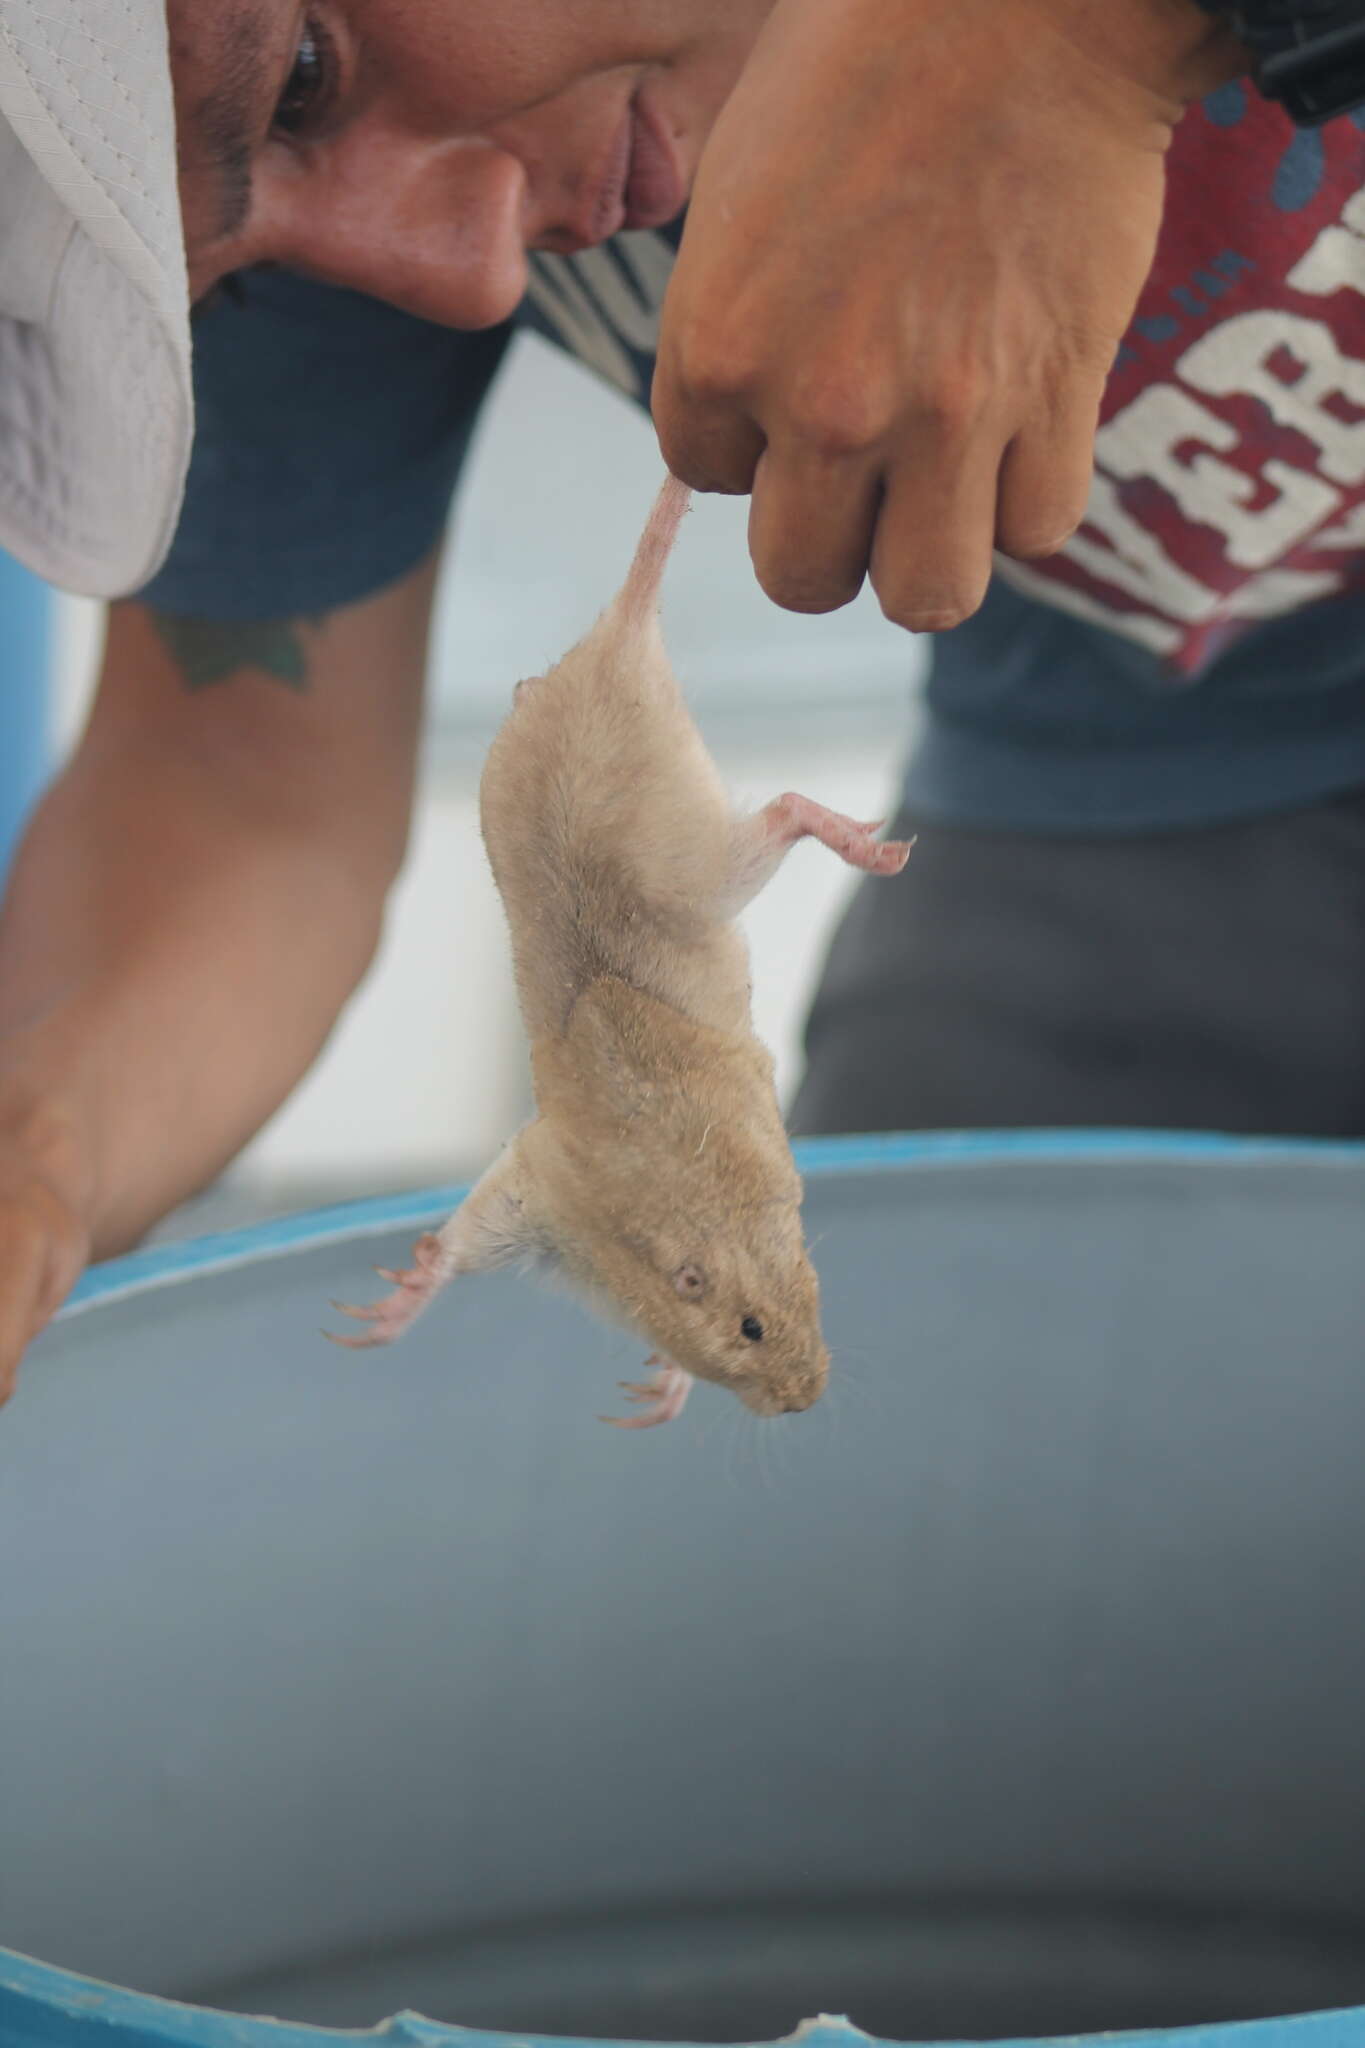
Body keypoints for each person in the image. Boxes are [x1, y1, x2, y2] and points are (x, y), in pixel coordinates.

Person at [0, 0, 1361, 1405]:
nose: (455, 270)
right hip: (1161, 745)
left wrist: (1068, 47)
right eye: (218, 279)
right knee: (891, 1434)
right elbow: (245, 799)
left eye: (298, 77)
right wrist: (40, 1157)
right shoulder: (326, 216)